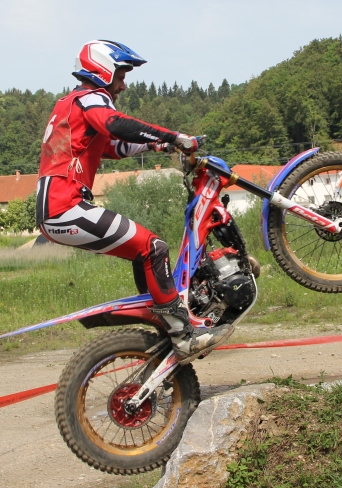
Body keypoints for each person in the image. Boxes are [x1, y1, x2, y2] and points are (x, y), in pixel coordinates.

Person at [36, 39, 233, 359]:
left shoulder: (72, 103)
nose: (123, 85)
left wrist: (158, 145)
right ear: (103, 71)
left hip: (59, 206)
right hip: (64, 206)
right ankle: (183, 335)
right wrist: (173, 136)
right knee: (154, 249)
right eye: (121, 75)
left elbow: (113, 146)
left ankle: (167, 325)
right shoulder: (90, 98)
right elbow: (115, 125)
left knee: (147, 253)